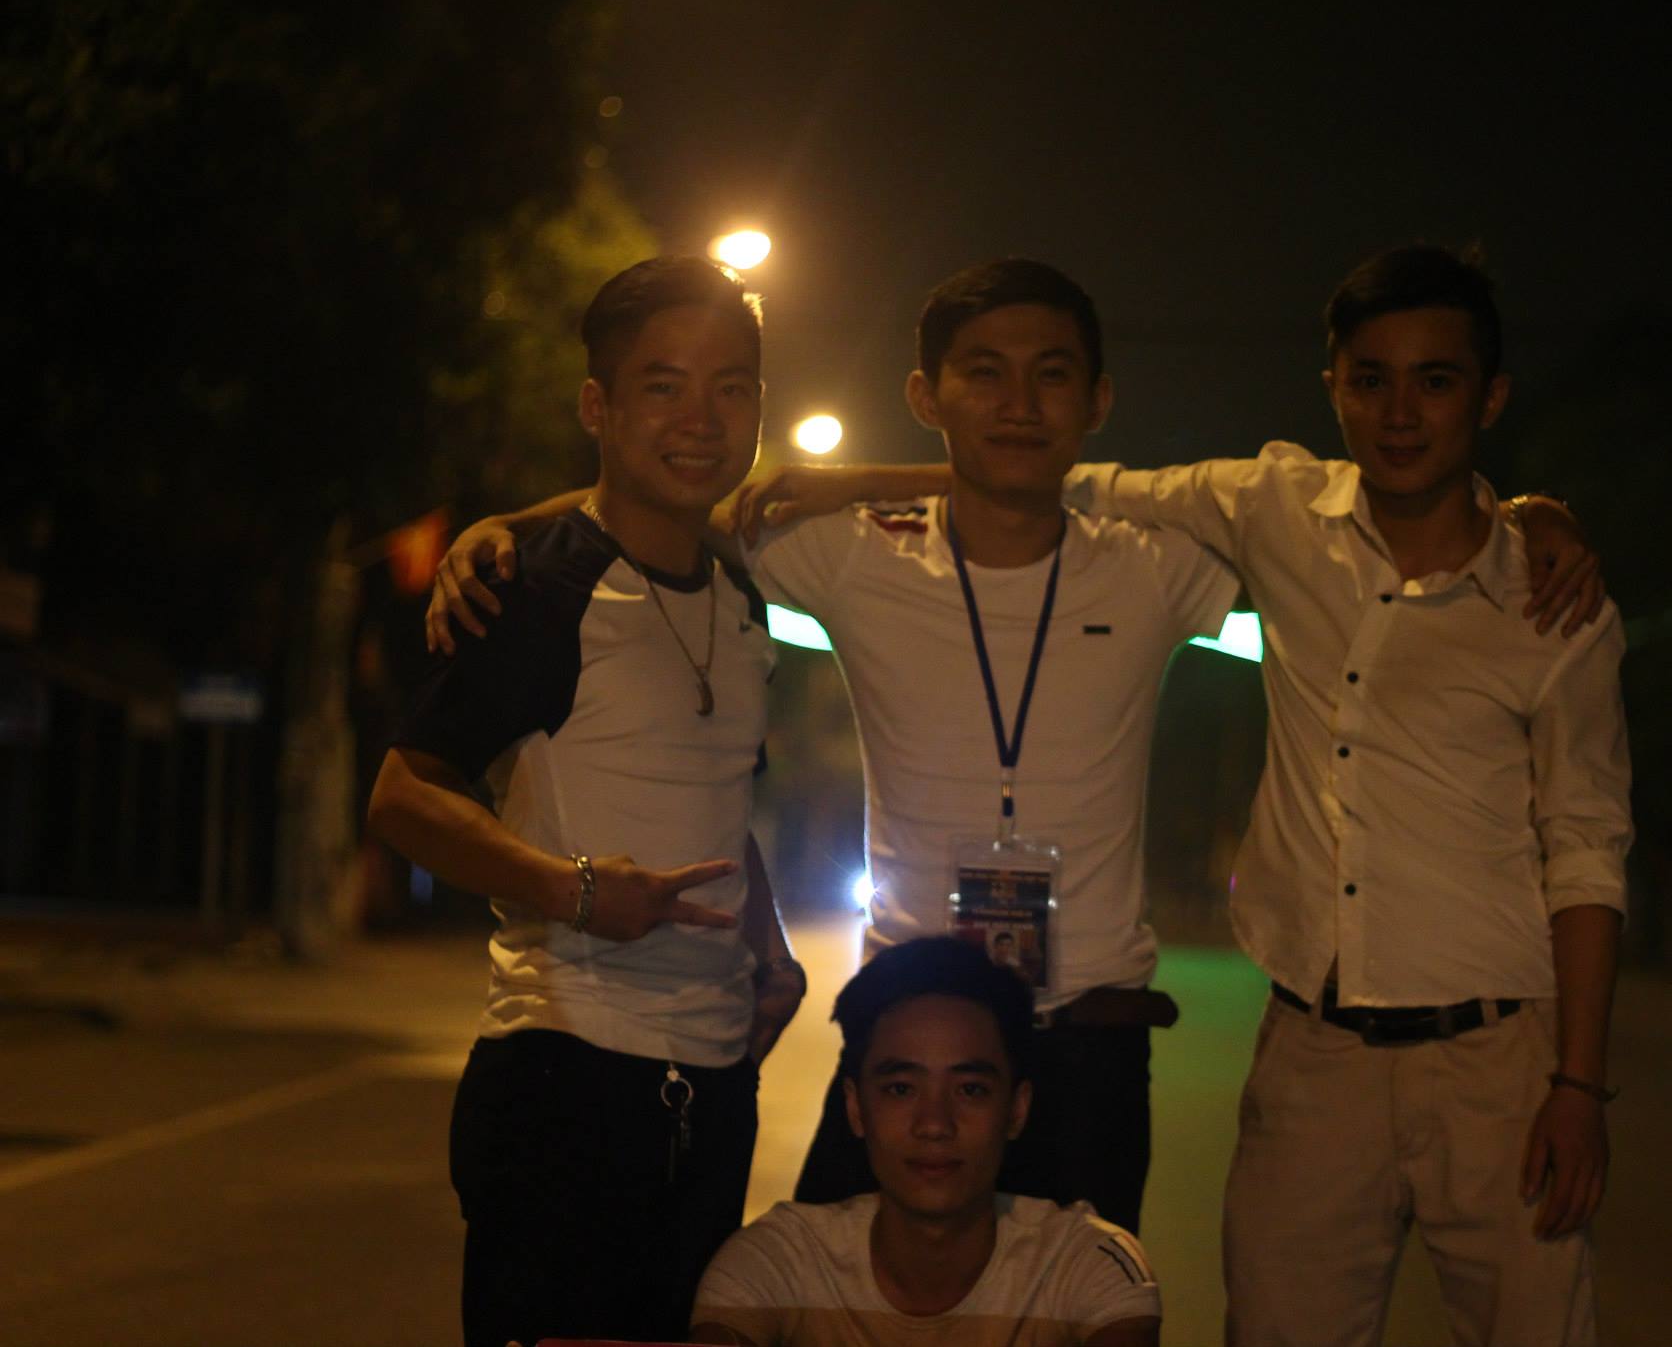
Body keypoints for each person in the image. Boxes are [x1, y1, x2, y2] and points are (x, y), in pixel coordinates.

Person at [427, 259, 1605, 1236]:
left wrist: (1523, 515)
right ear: (925, 394)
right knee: (833, 1308)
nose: (1016, 403)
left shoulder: (1162, 566)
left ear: (1097, 400)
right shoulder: (847, 554)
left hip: (1091, 1047)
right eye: (981, 374)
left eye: (1050, 376)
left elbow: (1373, 531)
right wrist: (503, 527)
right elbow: (667, 498)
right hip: (904, 1029)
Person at [1059, 245, 1633, 1346]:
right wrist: (831, 488)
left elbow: (1587, 853)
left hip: (1500, 1068)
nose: (1399, 412)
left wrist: (1578, 1086)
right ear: (1332, 388)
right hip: (1313, 1058)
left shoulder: (1554, 609)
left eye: (1435, 381)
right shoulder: (1272, 506)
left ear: (1489, 397)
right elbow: (1058, 478)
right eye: (1370, 379)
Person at [365, 255, 806, 1347]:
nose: (701, 418)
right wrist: (574, 891)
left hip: (715, 1086)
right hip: (563, 1077)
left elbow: (716, 800)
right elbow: (403, 795)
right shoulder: (537, 587)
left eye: (732, 386)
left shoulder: (744, 598)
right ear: (597, 408)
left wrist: (770, 942)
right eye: (664, 386)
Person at [689, 936, 1163, 1346]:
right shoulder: (776, 1264)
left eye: (970, 1090)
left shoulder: (1086, 1266)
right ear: (855, 1108)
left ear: (1017, 1109)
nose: (934, 1124)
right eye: (901, 1089)